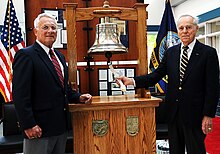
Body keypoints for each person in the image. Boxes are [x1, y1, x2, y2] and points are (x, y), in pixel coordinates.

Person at [118, 14, 219, 154]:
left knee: (196, 151)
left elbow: (212, 87)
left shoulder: (208, 53)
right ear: (177, 31)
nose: (184, 31)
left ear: (196, 29)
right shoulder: (171, 52)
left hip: (195, 116)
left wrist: (208, 115)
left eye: (188, 27)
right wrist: (132, 81)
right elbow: (155, 75)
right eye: (181, 28)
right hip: (173, 114)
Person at [12, 13, 92, 154]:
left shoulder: (59, 57)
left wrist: (78, 97)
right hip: (38, 129)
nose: (50, 31)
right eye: (45, 27)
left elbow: (63, 89)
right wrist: (29, 125)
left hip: (60, 128)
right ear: (36, 31)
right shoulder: (26, 55)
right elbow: (20, 94)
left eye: (54, 28)